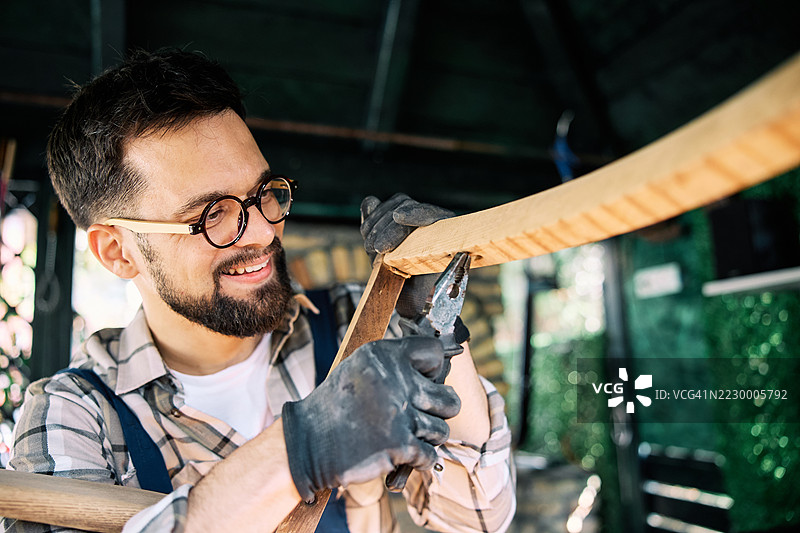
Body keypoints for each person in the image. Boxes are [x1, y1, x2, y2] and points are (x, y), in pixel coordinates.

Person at [5, 49, 515, 533]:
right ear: (118, 251)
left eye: (263, 195)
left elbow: (479, 521)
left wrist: (438, 321)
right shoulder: (74, 416)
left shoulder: (352, 327)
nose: (263, 233)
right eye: (211, 215)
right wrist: (303, 446)